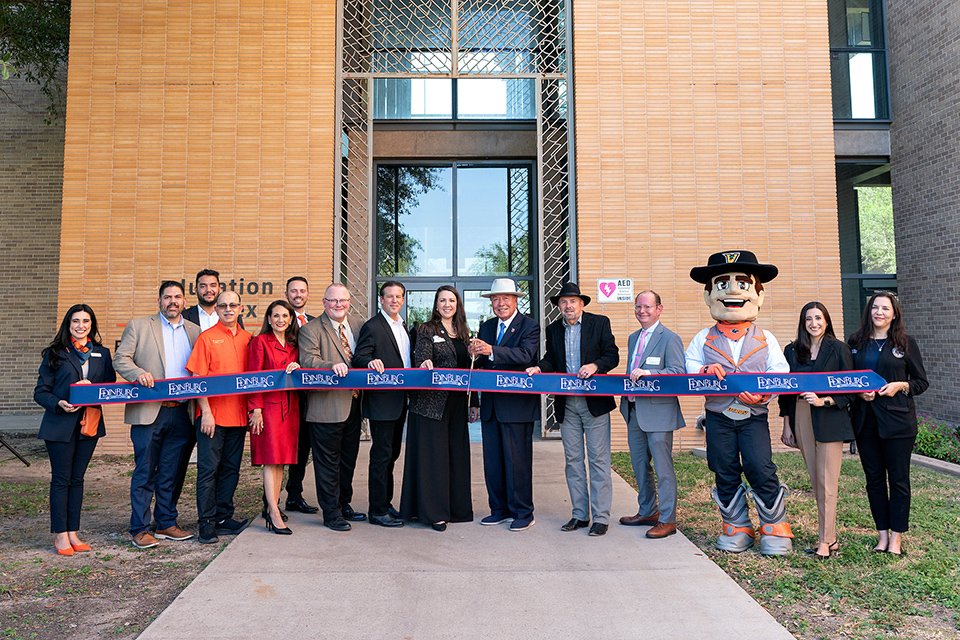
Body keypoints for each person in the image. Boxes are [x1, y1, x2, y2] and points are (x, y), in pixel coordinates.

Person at [685, 250, 794, 555]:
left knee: (760, 466)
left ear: (758, 295)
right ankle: (736, 525)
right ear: (709, 296)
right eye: (722, 284)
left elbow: (779, 372)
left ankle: (774, 525)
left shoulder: (765, 338)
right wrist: (704, 371)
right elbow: (689, 367)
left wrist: (763, 395)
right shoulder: (703, 339)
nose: (732, 291)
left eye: (743, 284)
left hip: (753, 416)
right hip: (718, 415)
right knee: (723, 466)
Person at [526, 282, 618, 537]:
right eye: (563, 302)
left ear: (582, 304)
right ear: (558, 306)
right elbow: (551, 360)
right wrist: (538, 368)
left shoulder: (600, 323)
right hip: (567, 404)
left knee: (599, 461)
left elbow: (613, 355)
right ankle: (580, 514)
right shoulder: (554, 328)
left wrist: (596, 365)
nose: (568, 306)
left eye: (573, 301)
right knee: (573, 461)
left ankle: (600, 517)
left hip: (595, 404)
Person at [114, 281, 201, 549]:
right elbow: (121, 359)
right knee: (145, 472)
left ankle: (165, 522)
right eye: (167, 297)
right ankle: (139, 528)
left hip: (181, 412)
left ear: (184, 302)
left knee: (171, 472)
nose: (172, 301)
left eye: (177, 297)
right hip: (150, 412)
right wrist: (137, 373)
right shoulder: (140, 326)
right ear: (159, 301)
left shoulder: (195, 331)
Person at [848, 292, 928, 556]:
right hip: (865, 421)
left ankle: (896, 537)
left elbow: (920, 381)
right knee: (873, 480)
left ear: (894, 313)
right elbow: (848, 380)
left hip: (898, 423)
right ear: (869, 311)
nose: (879, 312)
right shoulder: (856, 342)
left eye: (885, 308)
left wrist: (900, 385)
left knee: (899, 480)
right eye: (875, 307)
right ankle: (881, 535)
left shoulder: (905, 343)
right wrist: (859, 392)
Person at [34, 304, 116, 556]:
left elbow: (109, 383)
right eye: (76, 321)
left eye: (86, 322)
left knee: (77, 479)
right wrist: (59, 402)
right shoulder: (55, 353)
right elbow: (40, 392)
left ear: (92, 325)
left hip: (88, 424)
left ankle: (73, 532)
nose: (81, 326)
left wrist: (91, 387)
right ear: (68, 325)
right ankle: (60, 535)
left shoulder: (101, 353)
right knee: (61, 479)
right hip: (60, 425)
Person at [778, 301, 855, 559]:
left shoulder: (839, 349)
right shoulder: (792, 350)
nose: (814, 323)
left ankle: (827, 540)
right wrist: (787, 424)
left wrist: (827, 400)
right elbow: (785, 391)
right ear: (803, 322)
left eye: (819, 318)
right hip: (801, 414)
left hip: (829, 415)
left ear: (827, 320)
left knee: (827, 482)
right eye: (809, 319)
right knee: (815, 480)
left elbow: (850, 388)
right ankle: (828, 537)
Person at [401, 285, 477, 532]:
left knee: (456, 456)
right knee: (434, 459)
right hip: (430, 404)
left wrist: (474, 401)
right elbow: (422, 356)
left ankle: (456, 509)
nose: (447, 304)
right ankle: (434, 513)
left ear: (457, 305)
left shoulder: (465, 333)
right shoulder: (427, 329)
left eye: (451, 300)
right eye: (442, 300)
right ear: (436, 305)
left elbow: (471, 371)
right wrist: (425, 362)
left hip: (456, 404)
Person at [470, 278, 541, 532]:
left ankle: (523, 512)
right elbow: (480, 365)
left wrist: (491, 350)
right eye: (495, 299)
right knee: (494, 462)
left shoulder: (529, 326)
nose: (500, 304)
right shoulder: (487, 326)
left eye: (505, 299)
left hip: (517, 407)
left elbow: (525, 356)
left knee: (518, 462)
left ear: (516, 300)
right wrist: (474, 353)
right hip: (491, 407)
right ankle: (498, 509)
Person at [186, 290, 253, 544]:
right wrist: (206, 413)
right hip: (212, 418)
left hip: (238, 418)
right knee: (207, 471)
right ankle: (206, 522)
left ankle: (224, 518)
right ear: (217, 309)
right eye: (223, 305)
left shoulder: (248, 339)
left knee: (230, 471)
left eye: (232, 305)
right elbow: (198, 379)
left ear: (240, 308)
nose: (228, 309)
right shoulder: (207, 338)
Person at [299, 283, 367, 532]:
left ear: (349, 302)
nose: (338, 305)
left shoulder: (359, 326)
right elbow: (308, 360)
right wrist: (331, 366)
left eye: (343, 300)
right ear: (324, 302)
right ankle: (331, 513)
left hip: (354, 403)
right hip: (326, 406)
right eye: (333, 301)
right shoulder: (311, 329)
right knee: (327, 463)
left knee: (348, 460)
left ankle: (344, 503)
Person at [618, 290, 686, 539]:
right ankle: (648, 511)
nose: (642, 311)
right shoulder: (633, 338)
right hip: (634, 409)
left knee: (662, 468)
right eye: (638, 307)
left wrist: (651, 373)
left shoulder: (670, 338)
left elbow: (679, 372)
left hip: (659, 412)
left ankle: (667, 520)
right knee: (639, 465)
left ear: (659, 309)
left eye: (647, 307)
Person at [352, 281, 411, 528]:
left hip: (401, 402)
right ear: (381, 300)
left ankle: (386, 504)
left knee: (392, 455)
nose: (394, 300)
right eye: (389, 297)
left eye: (398, 296)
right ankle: (377, 511)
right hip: (382, 402)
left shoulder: (403, 327)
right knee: (381, 456)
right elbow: (359, 357)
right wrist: (370, 362)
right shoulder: (373, 326)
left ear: (403, 300)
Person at [247, 300, 302, 535]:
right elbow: (253, 376)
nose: (280, 320)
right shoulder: (260, 342)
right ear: (268, 319)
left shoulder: (293, 344)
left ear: (291, 320)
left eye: (285, 316)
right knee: (271, 460)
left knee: (280, 461)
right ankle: (273, 512)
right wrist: (255, 409)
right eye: (276, 316)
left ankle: (273, 504)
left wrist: (300, 365)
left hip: (290, 409)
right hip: (268, 410)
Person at [281, 276, 319, 516]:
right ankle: (271, 499)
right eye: (293, 291)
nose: (298, 294)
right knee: (284, 449)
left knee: (303, 448)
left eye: (302, 291)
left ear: (307, 294)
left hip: (311, 396)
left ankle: (294, 495)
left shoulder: (316, 323)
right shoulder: (280, 321)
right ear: (287, 294)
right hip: (288, 396)